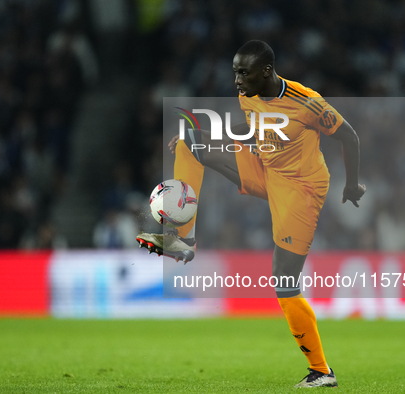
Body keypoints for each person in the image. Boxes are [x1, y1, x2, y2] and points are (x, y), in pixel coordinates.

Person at [137, 40, 365, 388]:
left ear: (267, 72)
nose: (237, 81)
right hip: (266, 170)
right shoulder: (249, 95)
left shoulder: (306, 102)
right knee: (189, 142)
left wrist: (352, 186)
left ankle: (322, 371)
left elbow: (349, 136)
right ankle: (182, 239)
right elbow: (255, 131)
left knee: (284, 280)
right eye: (235, 72)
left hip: (301, 189)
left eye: (243, 73)